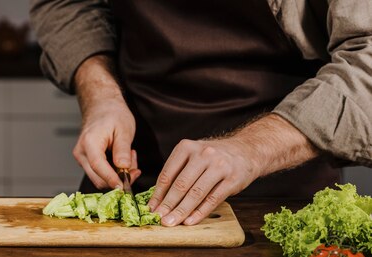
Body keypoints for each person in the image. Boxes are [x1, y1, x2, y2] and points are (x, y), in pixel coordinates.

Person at [30, 0, 372, 226]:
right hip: (131, 177)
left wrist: (252, 148)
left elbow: (366, 60)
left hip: (283, 198)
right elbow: (66, 4)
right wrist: (101, 93)